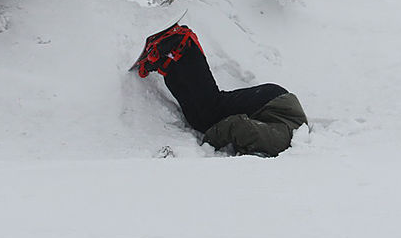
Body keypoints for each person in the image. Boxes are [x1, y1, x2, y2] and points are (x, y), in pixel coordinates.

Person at [131, 24, 307, 157]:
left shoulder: (275, 147)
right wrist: (207, 147)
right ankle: (184, 42)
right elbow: (238, 126)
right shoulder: (276, 144)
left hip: (275, 106)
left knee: (199, 118)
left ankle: (168, 61)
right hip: (275, 103)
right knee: (212, 110)